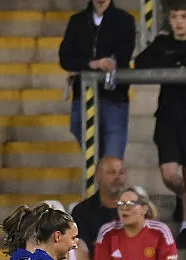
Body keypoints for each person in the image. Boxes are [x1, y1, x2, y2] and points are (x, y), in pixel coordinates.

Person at [134, 0, 186, 249]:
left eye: (184, 16)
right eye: (175, 16)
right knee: (169, 174)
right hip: (167, 116)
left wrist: (184, 67)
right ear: (169, 20)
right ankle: (183, 198)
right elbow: (140, 63)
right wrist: (172, 66)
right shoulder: (162, 42)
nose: (179, 21)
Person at [58, 0, 136, 159]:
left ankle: (105, 182)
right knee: (92, 159)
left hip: (114, 97)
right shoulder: (77, 21)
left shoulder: (124, 20)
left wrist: (92, 64)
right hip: (83, 97)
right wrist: (93, 64)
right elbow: (65, 58)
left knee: (112, 160)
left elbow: (122, 56)